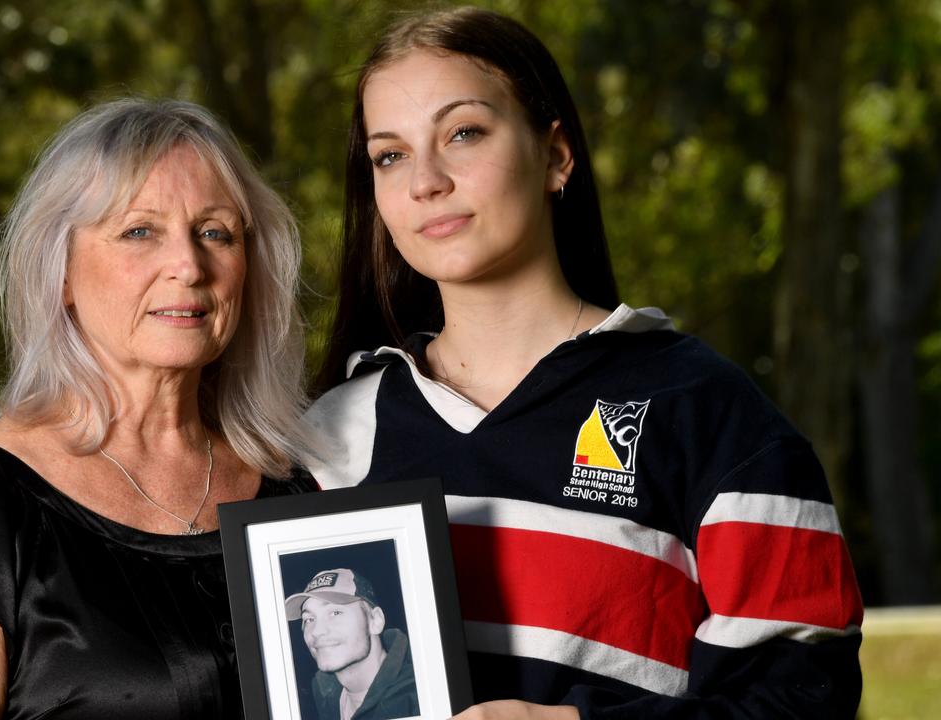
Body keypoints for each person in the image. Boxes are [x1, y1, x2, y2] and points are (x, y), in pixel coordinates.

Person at [304, 7, 863, 719]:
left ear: (557, 155)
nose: (426, 181)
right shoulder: (328, 435)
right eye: (391, 155)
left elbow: (806, 698)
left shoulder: (708, 413)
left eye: (464, 132)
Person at [0, 98, 316, 719]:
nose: (188, 265)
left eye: (215, 232)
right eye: (139, 231)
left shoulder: (299, 496)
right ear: (61, 273)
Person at [285, 568, 418, 720]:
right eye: (309, 619)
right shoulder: (324, 692)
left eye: (335, 613)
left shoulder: (418, 698)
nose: (316, 631)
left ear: (375, 621)